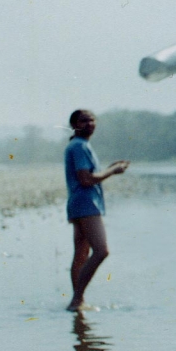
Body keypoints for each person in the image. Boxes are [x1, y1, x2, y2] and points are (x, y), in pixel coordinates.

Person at [64, 109, 130, 311]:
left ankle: (78, 303)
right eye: (84, 121)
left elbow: (89, 175)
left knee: (82, 254)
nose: (89, 123)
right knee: (101, 251)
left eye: (92, 120)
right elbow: (86, 179)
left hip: (80, 204)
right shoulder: (79, 146)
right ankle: (76, 300)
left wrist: (107, 169)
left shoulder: (80, 145)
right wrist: (112, 171)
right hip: (86, 205)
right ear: (74, 125)